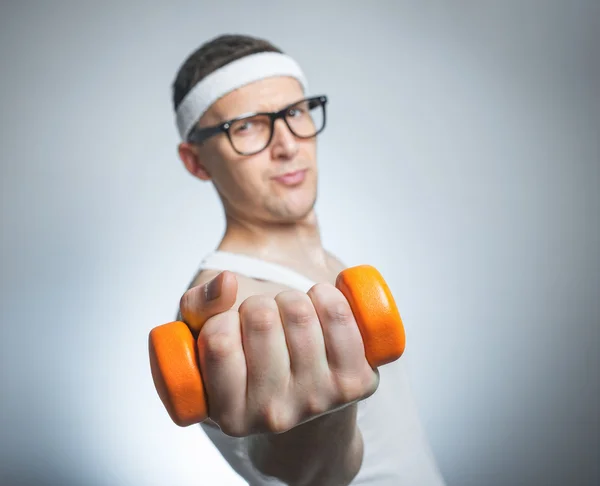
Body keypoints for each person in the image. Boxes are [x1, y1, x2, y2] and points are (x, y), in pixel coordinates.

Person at [170, 33, 445, 485]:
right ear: (196, 161)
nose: (287, 145)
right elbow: (310, 474)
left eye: (294, 113)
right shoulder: (234, 312)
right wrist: (312, 431)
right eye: (246, 126)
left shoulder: (325, 261)